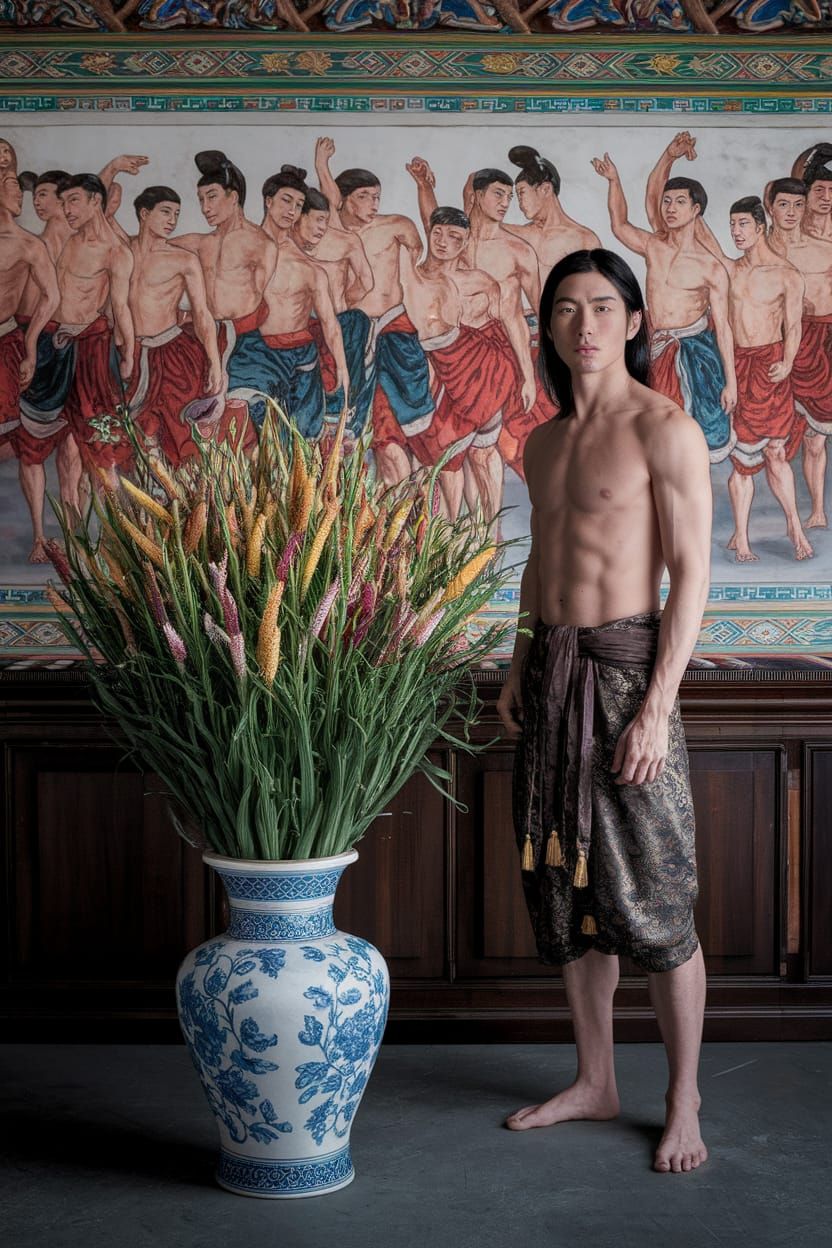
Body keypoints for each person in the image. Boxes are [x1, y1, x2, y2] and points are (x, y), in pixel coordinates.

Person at [496, 248, 711, 1176]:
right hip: (550, 677)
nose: (585, 325)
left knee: (659, 907)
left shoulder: (666, 428)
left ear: (632, 321)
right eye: (567, 309)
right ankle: (595, 1081)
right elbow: (541, 566)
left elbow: (695, 576)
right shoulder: (542, 441)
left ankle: (684, 1098)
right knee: (569, 896)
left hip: (628, 681)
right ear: (547, 327)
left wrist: (659, 708)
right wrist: (518, 659)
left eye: (604, 306)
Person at [593, 145, 737, 464]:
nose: (670, 208)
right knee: (652, 432)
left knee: (697, 433)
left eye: (680, 202)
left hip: (695, 353)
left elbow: (724, 328)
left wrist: (732, 383)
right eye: (667, 201)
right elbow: (619, 225)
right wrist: (614, 180)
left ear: (696, 209)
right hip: (656, 348)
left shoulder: (710, 267)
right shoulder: (654, 246)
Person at [407, 157, 550, 479]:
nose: (505, 203)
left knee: (492, 445)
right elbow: (432, 221)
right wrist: (423, 185)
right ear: (476, 195)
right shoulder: (456, 238)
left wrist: (530, 373)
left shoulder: (518, 251)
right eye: (498, 194)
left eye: (510, 197)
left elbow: (537, 311)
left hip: (494, 353)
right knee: (441, 444)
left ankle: (490, 525)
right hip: (448, 351)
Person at [400, 205, 534, 521]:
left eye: (454, 237)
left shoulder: (479, 281)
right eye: (438, 233)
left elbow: (508, 322)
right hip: (428, 377)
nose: (444, 242)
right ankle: (437, 539)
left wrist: (526, 376)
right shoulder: (410, 278)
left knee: (483, 452)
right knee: (432, 458)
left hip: (477, 375)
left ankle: (486, 533)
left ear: (464, 243)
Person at [315, 137, 434, 485]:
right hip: (349, 335)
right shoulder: (330, 234)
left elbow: (433, 241)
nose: (372, 203)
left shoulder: (396, 226)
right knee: (343, 429)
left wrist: (425, 186)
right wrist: (323, 165)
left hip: (392, 332)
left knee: (390, 425)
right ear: (345, 199)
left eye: (376, 196)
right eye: (364, 196)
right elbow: (328, 199)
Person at [722, 196, 809, 562]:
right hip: (740, 366)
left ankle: (795, 526)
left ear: (760, 227)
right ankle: (741, 537)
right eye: (733, 225)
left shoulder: (787, 274)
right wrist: (730, 379)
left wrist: (788, 361)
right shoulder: (729, 270)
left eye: (743, 225)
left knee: (776, 451)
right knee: (741, 461)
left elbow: (794, 325)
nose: (736, 232)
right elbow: (724, 327)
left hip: (771, 366)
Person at [233, 166, 347, 438]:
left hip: (300, 358)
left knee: (299, 443)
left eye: (298, 205)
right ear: (268, 201)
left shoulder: (309, 268)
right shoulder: (241, 248)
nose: (291, 211)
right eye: (286, 200)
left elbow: (330, 324)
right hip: (254, 355)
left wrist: (342, 368)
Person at [126, 185, 227, 467]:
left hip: (170, 352)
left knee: (181, 436)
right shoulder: (121, 251)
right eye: (166, 212)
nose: (172, 220)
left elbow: (203, 314)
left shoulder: (183, 259)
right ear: (144, 213)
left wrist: (215, 364)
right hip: (129, 353)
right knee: (135, 440)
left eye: (177, 214)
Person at [172, 150, 276, 416]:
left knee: (244, 416)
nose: (205, 207)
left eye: (212, 197)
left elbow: (261, 294)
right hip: (203, 338)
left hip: (245, 343)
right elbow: (144, 244)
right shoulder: (201, 243)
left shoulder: (261, 243)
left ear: (233, 197)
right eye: (201, 200)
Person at [0, 169, 59, 560]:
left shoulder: (27, 244)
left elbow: (51, 297)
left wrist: (32, 345)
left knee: (19, 446)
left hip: (6, 342)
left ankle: (39, 537)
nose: (21, 199)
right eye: (12, 190)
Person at [767, 176, 832, 531]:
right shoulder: (761, 249)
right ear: (771, 207)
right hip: (776, 344)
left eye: (797, 205)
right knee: (773, 436)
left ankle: (818, 509)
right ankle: (787, 516)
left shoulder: (823, 248)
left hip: (820, 345)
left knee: (815, 437)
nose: (791, 212)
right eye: (784, 205)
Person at [292, 186, 374, 438]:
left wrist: (342, 301)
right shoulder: (283, 247)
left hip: (338, 322)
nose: (322, 228)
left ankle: (344, 414)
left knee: (354, 321)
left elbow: (366, 282)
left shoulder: (344, 242)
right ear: (299, 217)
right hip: (302, 329)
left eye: (325, 221)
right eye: (317, 220)